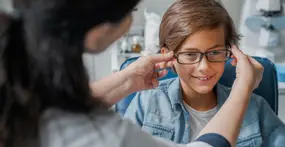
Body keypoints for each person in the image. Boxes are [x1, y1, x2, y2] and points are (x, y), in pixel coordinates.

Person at [0, 0, 263, 147]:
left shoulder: (19, 86)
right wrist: (244, 87)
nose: (203, 66)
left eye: (214, 53)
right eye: (130, 11)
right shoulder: (106, 134)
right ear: (98, 32)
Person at [124, 0, 285, 146]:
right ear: (167, 56)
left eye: (215, 52)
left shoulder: (255, 106)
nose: (204, 67)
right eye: (191, 54)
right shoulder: (147, 101)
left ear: (231, 52)